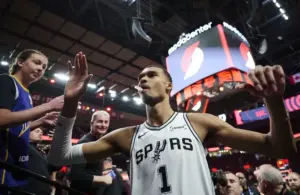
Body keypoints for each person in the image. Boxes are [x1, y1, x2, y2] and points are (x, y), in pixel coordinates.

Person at [48, 52, 297, 195]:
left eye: (151, 74)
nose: (143, 79)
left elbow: (280, 148)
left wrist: (274, 101)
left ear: (169, 86)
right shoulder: (125, 136)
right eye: (140, 78)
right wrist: (70, 103)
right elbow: (59, 157)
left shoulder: (197, 122)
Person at [0, 49, 64, 190]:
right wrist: (49, 106)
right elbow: (2, 119)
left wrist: (40, 122)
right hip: (3, 167)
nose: (41, 68)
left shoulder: (27, 94)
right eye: (37, 63)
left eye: (44, 67)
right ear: (20, 62)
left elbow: (17, 129)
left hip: (16, 168)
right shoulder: (6, 81)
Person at [70, 110, 113, 194]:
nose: (103, 125)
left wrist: (101, 173)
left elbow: (89, 169)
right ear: (92, 123)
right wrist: (102, 179)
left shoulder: (98, 142)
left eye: (106, 122)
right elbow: (75, 175)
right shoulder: (84, 143)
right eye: (100, 121)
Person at [23, 127, 61, 195]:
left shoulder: (40, 152)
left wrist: (57, 142)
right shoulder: (24, 147)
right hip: (30, 190)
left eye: (42, 132)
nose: (41, 133)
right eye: (37, 131)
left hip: (44, 190)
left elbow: (55, 166)